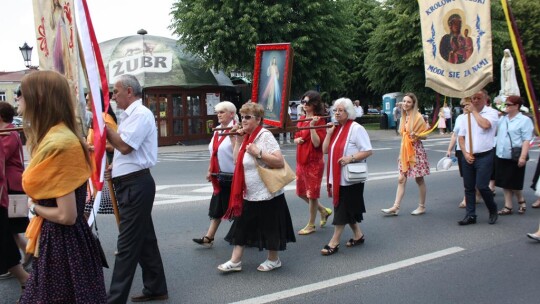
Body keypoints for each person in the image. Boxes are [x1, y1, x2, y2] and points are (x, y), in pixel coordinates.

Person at [18, 70, 106, 303]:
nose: (18, 99)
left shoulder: (60, 144)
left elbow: (67, 215)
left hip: (62, 244)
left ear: (38, 99)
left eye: (21, 94)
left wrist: (35, 207)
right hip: (61, 242)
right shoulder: (56, 138)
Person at [105, 74, 168, 303]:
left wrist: (103, 126)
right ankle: (156, 287)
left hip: (136, 184)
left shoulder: (140, 114)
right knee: (145, 240)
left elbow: (124, 146)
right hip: (131, 183)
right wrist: (116, 165)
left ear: (129, 92)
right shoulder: (130, 115)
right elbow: (126, 150)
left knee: (127, 245)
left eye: (116, 91)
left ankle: (114, 299)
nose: (114, 96)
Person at [218, 102, 295, 272]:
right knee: (241, 226)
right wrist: (238, 141)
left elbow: (279, 161)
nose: (243, 120)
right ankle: (235, 261)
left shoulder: (264, 136)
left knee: (270, 226)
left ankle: (274, 259)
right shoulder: (246, 136)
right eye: (242, 116)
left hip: (267, 192)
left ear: (258, 119)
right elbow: (238, 161)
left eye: (247, 117)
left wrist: (259, 153)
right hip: (249, 192)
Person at [320, 98, 372, 256]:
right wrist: (328, 134)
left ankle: (334, 242)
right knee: (347, 208)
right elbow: (325, 150)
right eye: (335, 110)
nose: (336, 113)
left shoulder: (356, 129)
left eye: (340, 110)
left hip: (350, 178)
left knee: (341, 209)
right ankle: (358, 235)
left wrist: (351, 158)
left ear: (348, 112)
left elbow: (368, 150)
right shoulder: (337, 128)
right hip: (338, 177)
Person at [193, 101, 237, 247]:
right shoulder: (218, 129)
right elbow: (214, 152)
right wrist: (209, 170)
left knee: (238, 207)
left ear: (231, 114)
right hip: (219, 176)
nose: (219, 115)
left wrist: (233, 137)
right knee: (217, 207)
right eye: (218, 112)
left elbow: (239, 151)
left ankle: (244, 236)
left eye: (222, 112)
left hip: (235, 176)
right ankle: (209, 237)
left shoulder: (238, 128)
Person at [382, 93, 430, 216]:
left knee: (419, 179)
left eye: (408, 102)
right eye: (404, 101)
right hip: (405, 151)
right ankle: (395, 207)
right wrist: (400, 154)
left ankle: (422, 206)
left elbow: (425, 135)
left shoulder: (418, 117)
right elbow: (404, 138)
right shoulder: (404, 116)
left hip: (416, 151)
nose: (405, 104)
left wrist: (417, 135)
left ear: (413, 104)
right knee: (401, 179)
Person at [456, 89, 499, 225]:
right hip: (469, 155)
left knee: (481, 185)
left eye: (478, 98)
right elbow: (461, 138)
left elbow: (485, 125)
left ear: (485, 99)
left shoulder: (491, 113)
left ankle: (492, 209)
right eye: (473, 98)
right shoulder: (464, 117)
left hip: (485, 154)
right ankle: (470, 215)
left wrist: (474, 111)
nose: (474, 101)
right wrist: (465, 153)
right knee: (468, 187)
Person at [294, 91, 332, 235]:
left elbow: (317, 144)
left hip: (313, 162)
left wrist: (312, 127)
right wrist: (297, 140)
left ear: (314, 103)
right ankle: (323, 210)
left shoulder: (320, 120)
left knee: (312, 194)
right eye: (302, 101)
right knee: (301, 192)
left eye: (307, 102)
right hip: (301, 160)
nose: (304, 105)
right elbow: (296, 136)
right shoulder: (301, 118)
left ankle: (311, 225)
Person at [0, 102, 31, 272]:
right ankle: (24, 258)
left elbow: (2, 155)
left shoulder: (8, 133)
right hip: (11, 183)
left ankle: (30, 255)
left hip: (11, 185)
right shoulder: (9, 131)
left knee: (14, 226)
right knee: (11, 228)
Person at [494, 96, 533, 215]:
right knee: (505, 182)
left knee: (514, 181)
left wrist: (522, 156)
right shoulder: (503, 119)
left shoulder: (524, 120)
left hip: (515, 155)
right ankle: (508, 206)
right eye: (505, 105)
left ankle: (521, 200)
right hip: (501, 154)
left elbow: (526, 139)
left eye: (508, 105)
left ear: (516, 106)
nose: (506, 107)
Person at [84, 91, 118, 216]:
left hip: (103, 170)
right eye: (86, 99)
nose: (86, 101)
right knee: (87, 212)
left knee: (87, 212)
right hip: (93, 171)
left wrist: (92, 147)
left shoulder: (104, 118)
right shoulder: (96, 117)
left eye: (89, 99)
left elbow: (115, 144)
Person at [447, 99, 468, 208]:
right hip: (460, 149)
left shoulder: (475, 117)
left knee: (470, 175)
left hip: (472, 150)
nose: (465, 107)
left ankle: (467, 198)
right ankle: (471, 194)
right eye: (463, 106)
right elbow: (455, 135)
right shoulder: (460, 118)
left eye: (466, 105)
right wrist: (449, 149)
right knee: (465, 175)